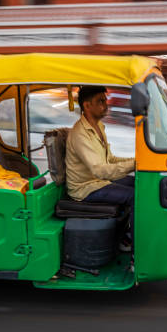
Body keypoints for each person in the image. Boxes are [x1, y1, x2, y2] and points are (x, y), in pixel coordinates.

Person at [65, 86, 136, 251]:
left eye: (105, 100)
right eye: (101, 101)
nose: (106, 105)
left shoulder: (99, 126)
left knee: (138, 184)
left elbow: (109, 159)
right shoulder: (80, 134)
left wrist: (137, 161)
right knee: (134, 196)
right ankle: (130, 241)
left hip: (99, 181)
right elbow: (100, 170)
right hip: (86, 188)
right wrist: (134, 165)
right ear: (87, 105)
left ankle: (126, 232)